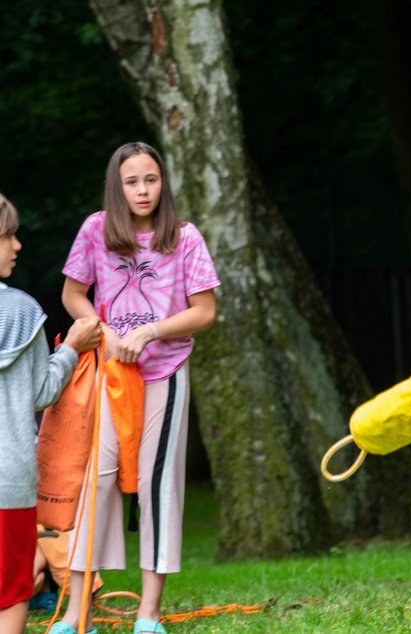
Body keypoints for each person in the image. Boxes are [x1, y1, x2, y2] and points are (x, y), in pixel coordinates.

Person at [53, 142, 220, 634]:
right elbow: (72, 294)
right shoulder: (94, 230)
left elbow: (204, 311)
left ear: (162, 182)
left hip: (165, 373)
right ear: (117, 186)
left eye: (151, 179)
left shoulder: (185, 237)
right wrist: (106, 333)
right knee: (97, 482)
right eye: (132, 182)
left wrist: (150, 331)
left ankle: (148, 614)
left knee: (156, 486)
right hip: (111, 376)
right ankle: (74, 612)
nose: (143, 190)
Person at [0, 193, 101, 634]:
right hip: (9, 481)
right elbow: (42, 393)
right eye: (8, 235)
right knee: (11, 591)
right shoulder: (23, 312)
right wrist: (72, 347)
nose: (17, 246)